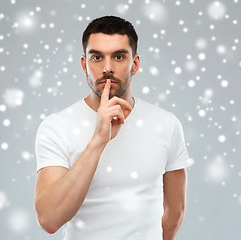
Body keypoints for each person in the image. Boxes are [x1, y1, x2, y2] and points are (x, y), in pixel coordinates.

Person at [34, 16, 192, 240]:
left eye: (119, 57)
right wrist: (98, 140)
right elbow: (49, 219)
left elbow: (175, 213)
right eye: (97, 57)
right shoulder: (56, 127)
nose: (107, 68)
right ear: (84, 64)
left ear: (134, 64)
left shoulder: (166, 124)